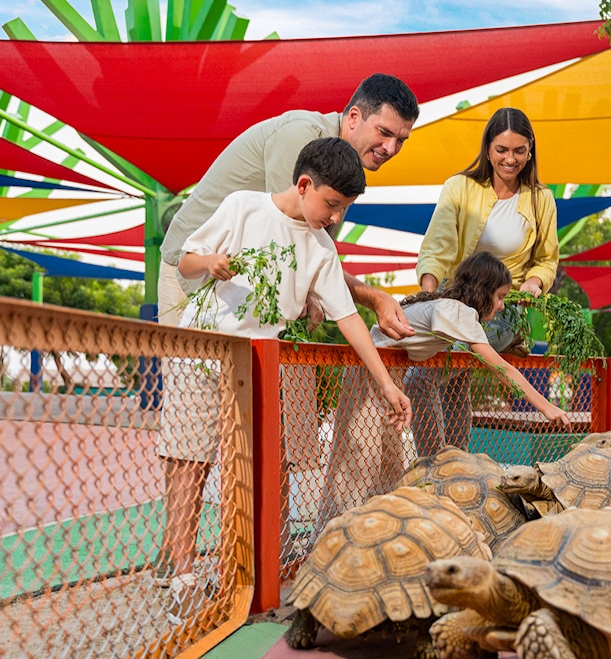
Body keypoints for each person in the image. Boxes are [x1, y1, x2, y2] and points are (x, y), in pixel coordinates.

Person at [157, 138, 412, 620]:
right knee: (189, 459)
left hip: (252, 367)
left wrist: (386, 384)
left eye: (343, 209)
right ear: (303, 184)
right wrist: (208, 264)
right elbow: (187, 259)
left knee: (253, 469)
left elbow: (350, 320)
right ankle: (183, 576)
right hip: (200, 351)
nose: (334, 218)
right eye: (331, 204)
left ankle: (243, 571)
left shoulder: (320, 249)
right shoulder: (243, 207)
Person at [158, 72, 420, 339]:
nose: (390, 148)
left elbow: (311, 255)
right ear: (354, 117)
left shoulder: (344, 167)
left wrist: (313, 296)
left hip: (247, 288)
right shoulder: (303, 135)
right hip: (195, 271)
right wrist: (375, 299)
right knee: (193, 377)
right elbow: (289, 247)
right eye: (384, 133)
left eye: (400, 140)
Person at [318, 252, 570, 528]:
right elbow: (503, 369)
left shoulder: (451, 309)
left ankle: (370, 529)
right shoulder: (457, 312)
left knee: (387, 465)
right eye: (499, 297)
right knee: (359, 463)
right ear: (482, 291)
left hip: (387, 378)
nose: (500, 306)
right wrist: (547, 407)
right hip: (372, 376)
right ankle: (329, 533)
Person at [409, 107, 559, 455]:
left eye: (519, 150)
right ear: (487, 148)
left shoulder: (541, 199)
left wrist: (534, 283)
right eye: (502, 150)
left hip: (502, 310)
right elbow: (438, 245)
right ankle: (455, 464)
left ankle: (434, 465)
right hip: (455, 303)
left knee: (428, 374)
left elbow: (547, 259)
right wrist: (428, 299)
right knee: (454, 378)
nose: (511, 159)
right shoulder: (459, 188)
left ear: (531, 149)